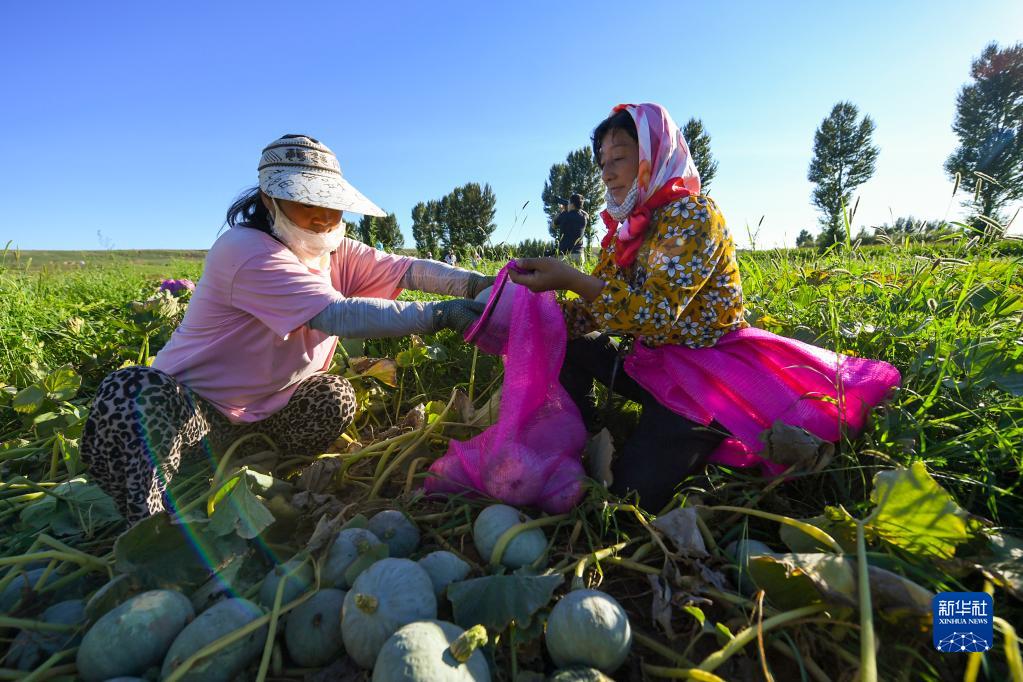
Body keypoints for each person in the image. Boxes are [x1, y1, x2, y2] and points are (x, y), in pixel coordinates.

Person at [81, 134, 492, 523]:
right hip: (191, 415)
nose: (323, 215)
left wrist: (481, 285)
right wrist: (441, 315)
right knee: (130, 392)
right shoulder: (245, 251)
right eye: (304, 200)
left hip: (264, 420)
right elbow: (335, 314)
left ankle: (255, 472)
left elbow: (407, 269)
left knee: (334, 395)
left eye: (331, 203)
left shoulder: (334, 248)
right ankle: (149, 523)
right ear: (269, 198)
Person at [509, 103, 899, 511]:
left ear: (654, 156)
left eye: (620, 157)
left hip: (705, 377)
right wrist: (529, 311)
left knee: (632, 497)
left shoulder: (695, 216)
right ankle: (577, 427)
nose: (606, 172)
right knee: (563, 335)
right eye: (602, 162)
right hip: (652, 362)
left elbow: (656, 317)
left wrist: (573, 280)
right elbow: (597, 311)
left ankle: (708, 429)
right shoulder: (627, 230)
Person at [554, 193, 588, 265]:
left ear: (572, 205)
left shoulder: (564, 215)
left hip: (565, 255)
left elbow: (553, 225)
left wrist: (561, 210)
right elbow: (586, 214)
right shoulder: (584, 217)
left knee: (563, 276)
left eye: (569, 203)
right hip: (579, 254)